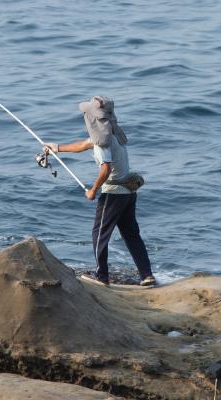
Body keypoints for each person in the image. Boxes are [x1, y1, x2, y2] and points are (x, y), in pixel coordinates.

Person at [44, 96, 156, 287]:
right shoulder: (112, 133)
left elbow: (105, 168)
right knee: (131, 234)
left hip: (114, 193)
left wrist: (93, 190)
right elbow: (83, 145)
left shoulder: (103, 143)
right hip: (128, 193)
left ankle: (102, 277)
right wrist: (57, 148)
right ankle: (147, 275)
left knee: (99, 233)